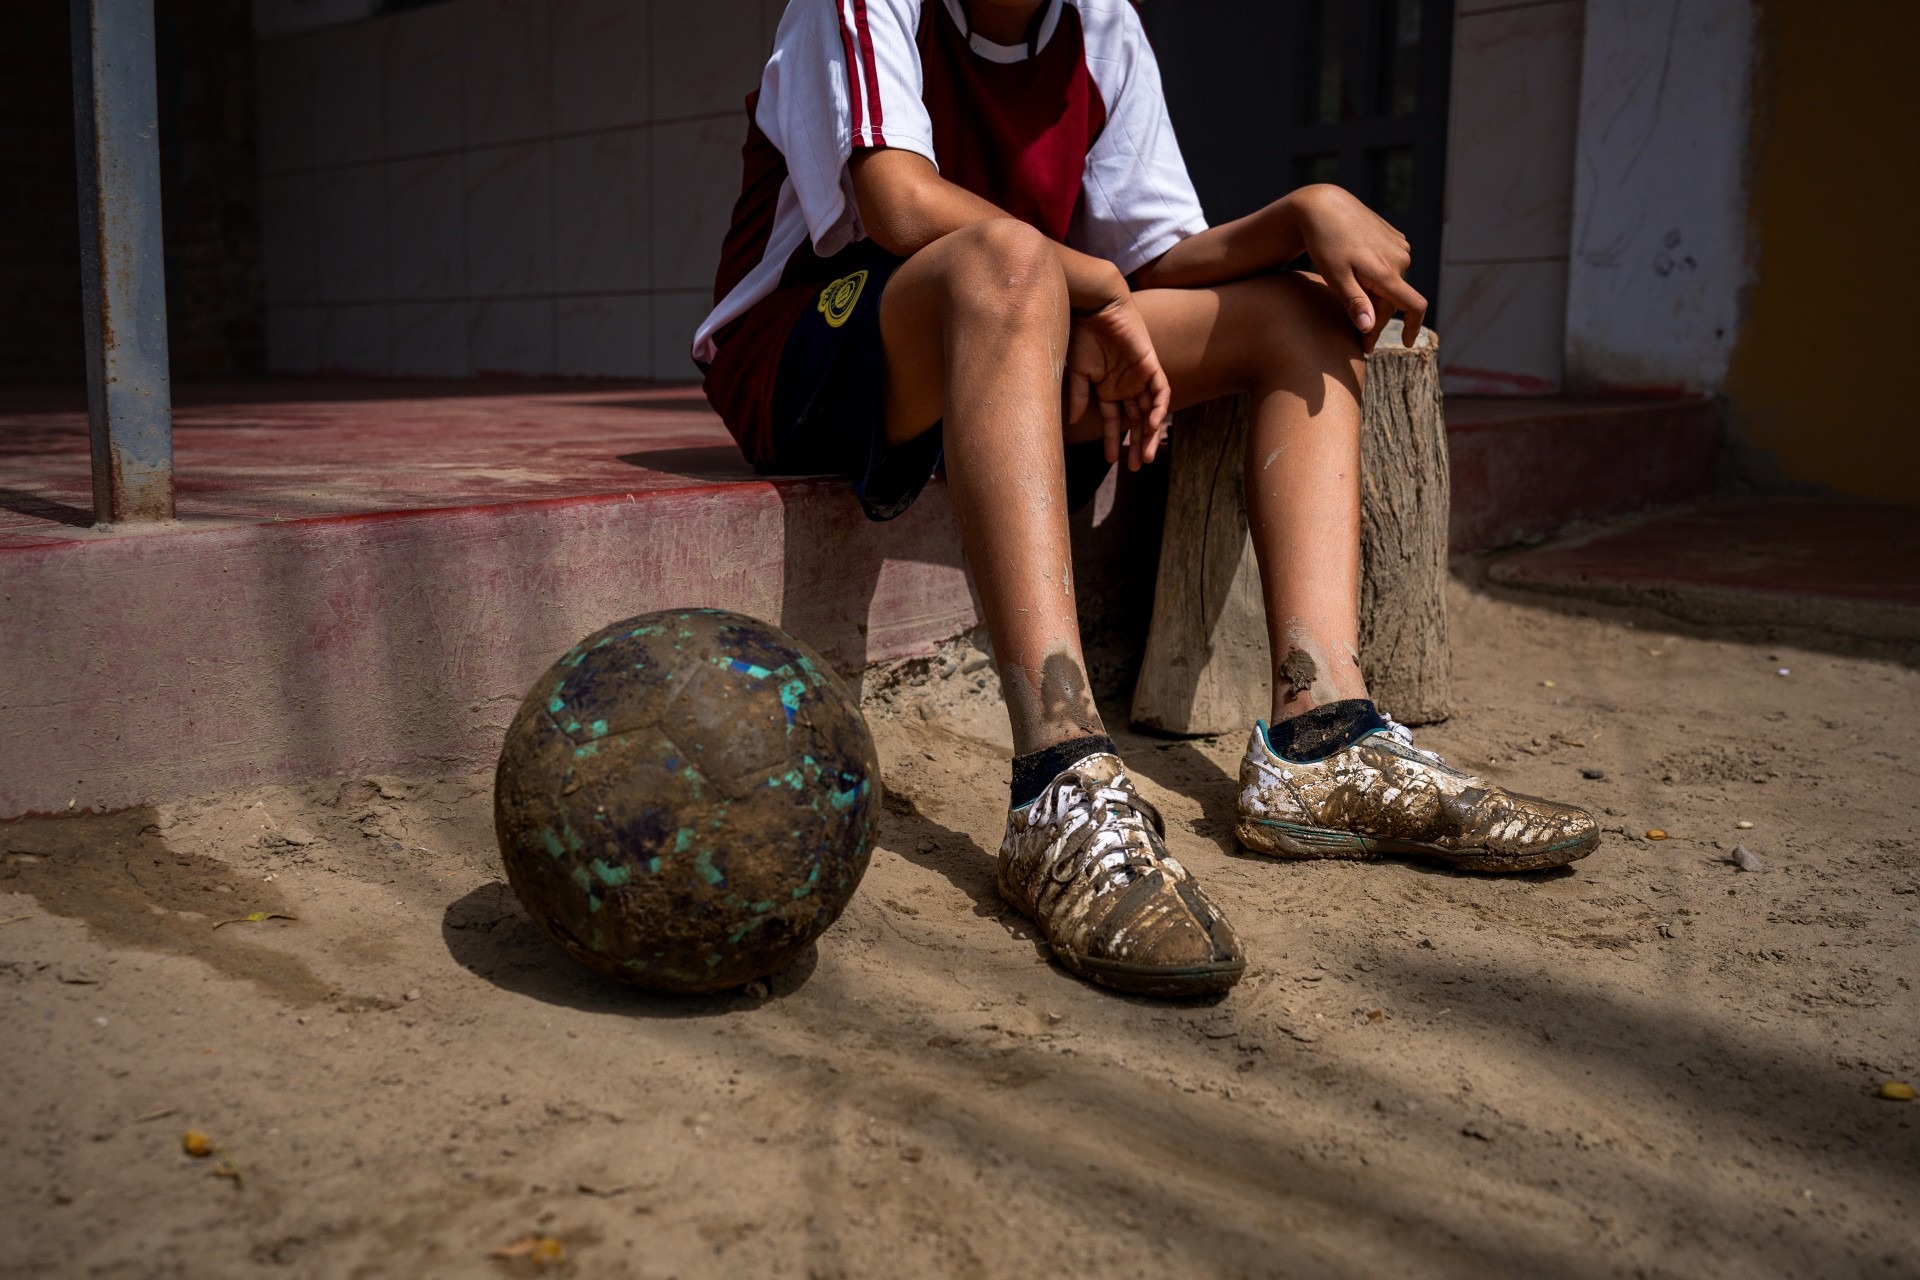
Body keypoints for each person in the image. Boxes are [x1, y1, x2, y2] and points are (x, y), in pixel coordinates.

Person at [696, 0, 1599, 998]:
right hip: (811, 345)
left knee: (1301, 310)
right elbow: (898, 207)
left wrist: (1301, 212)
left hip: (1017, 329)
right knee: (1012, 264)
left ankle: (1322, 738)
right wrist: (1089, 289)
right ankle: (1060, 774)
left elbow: (1160, 254)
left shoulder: (1099, 23)